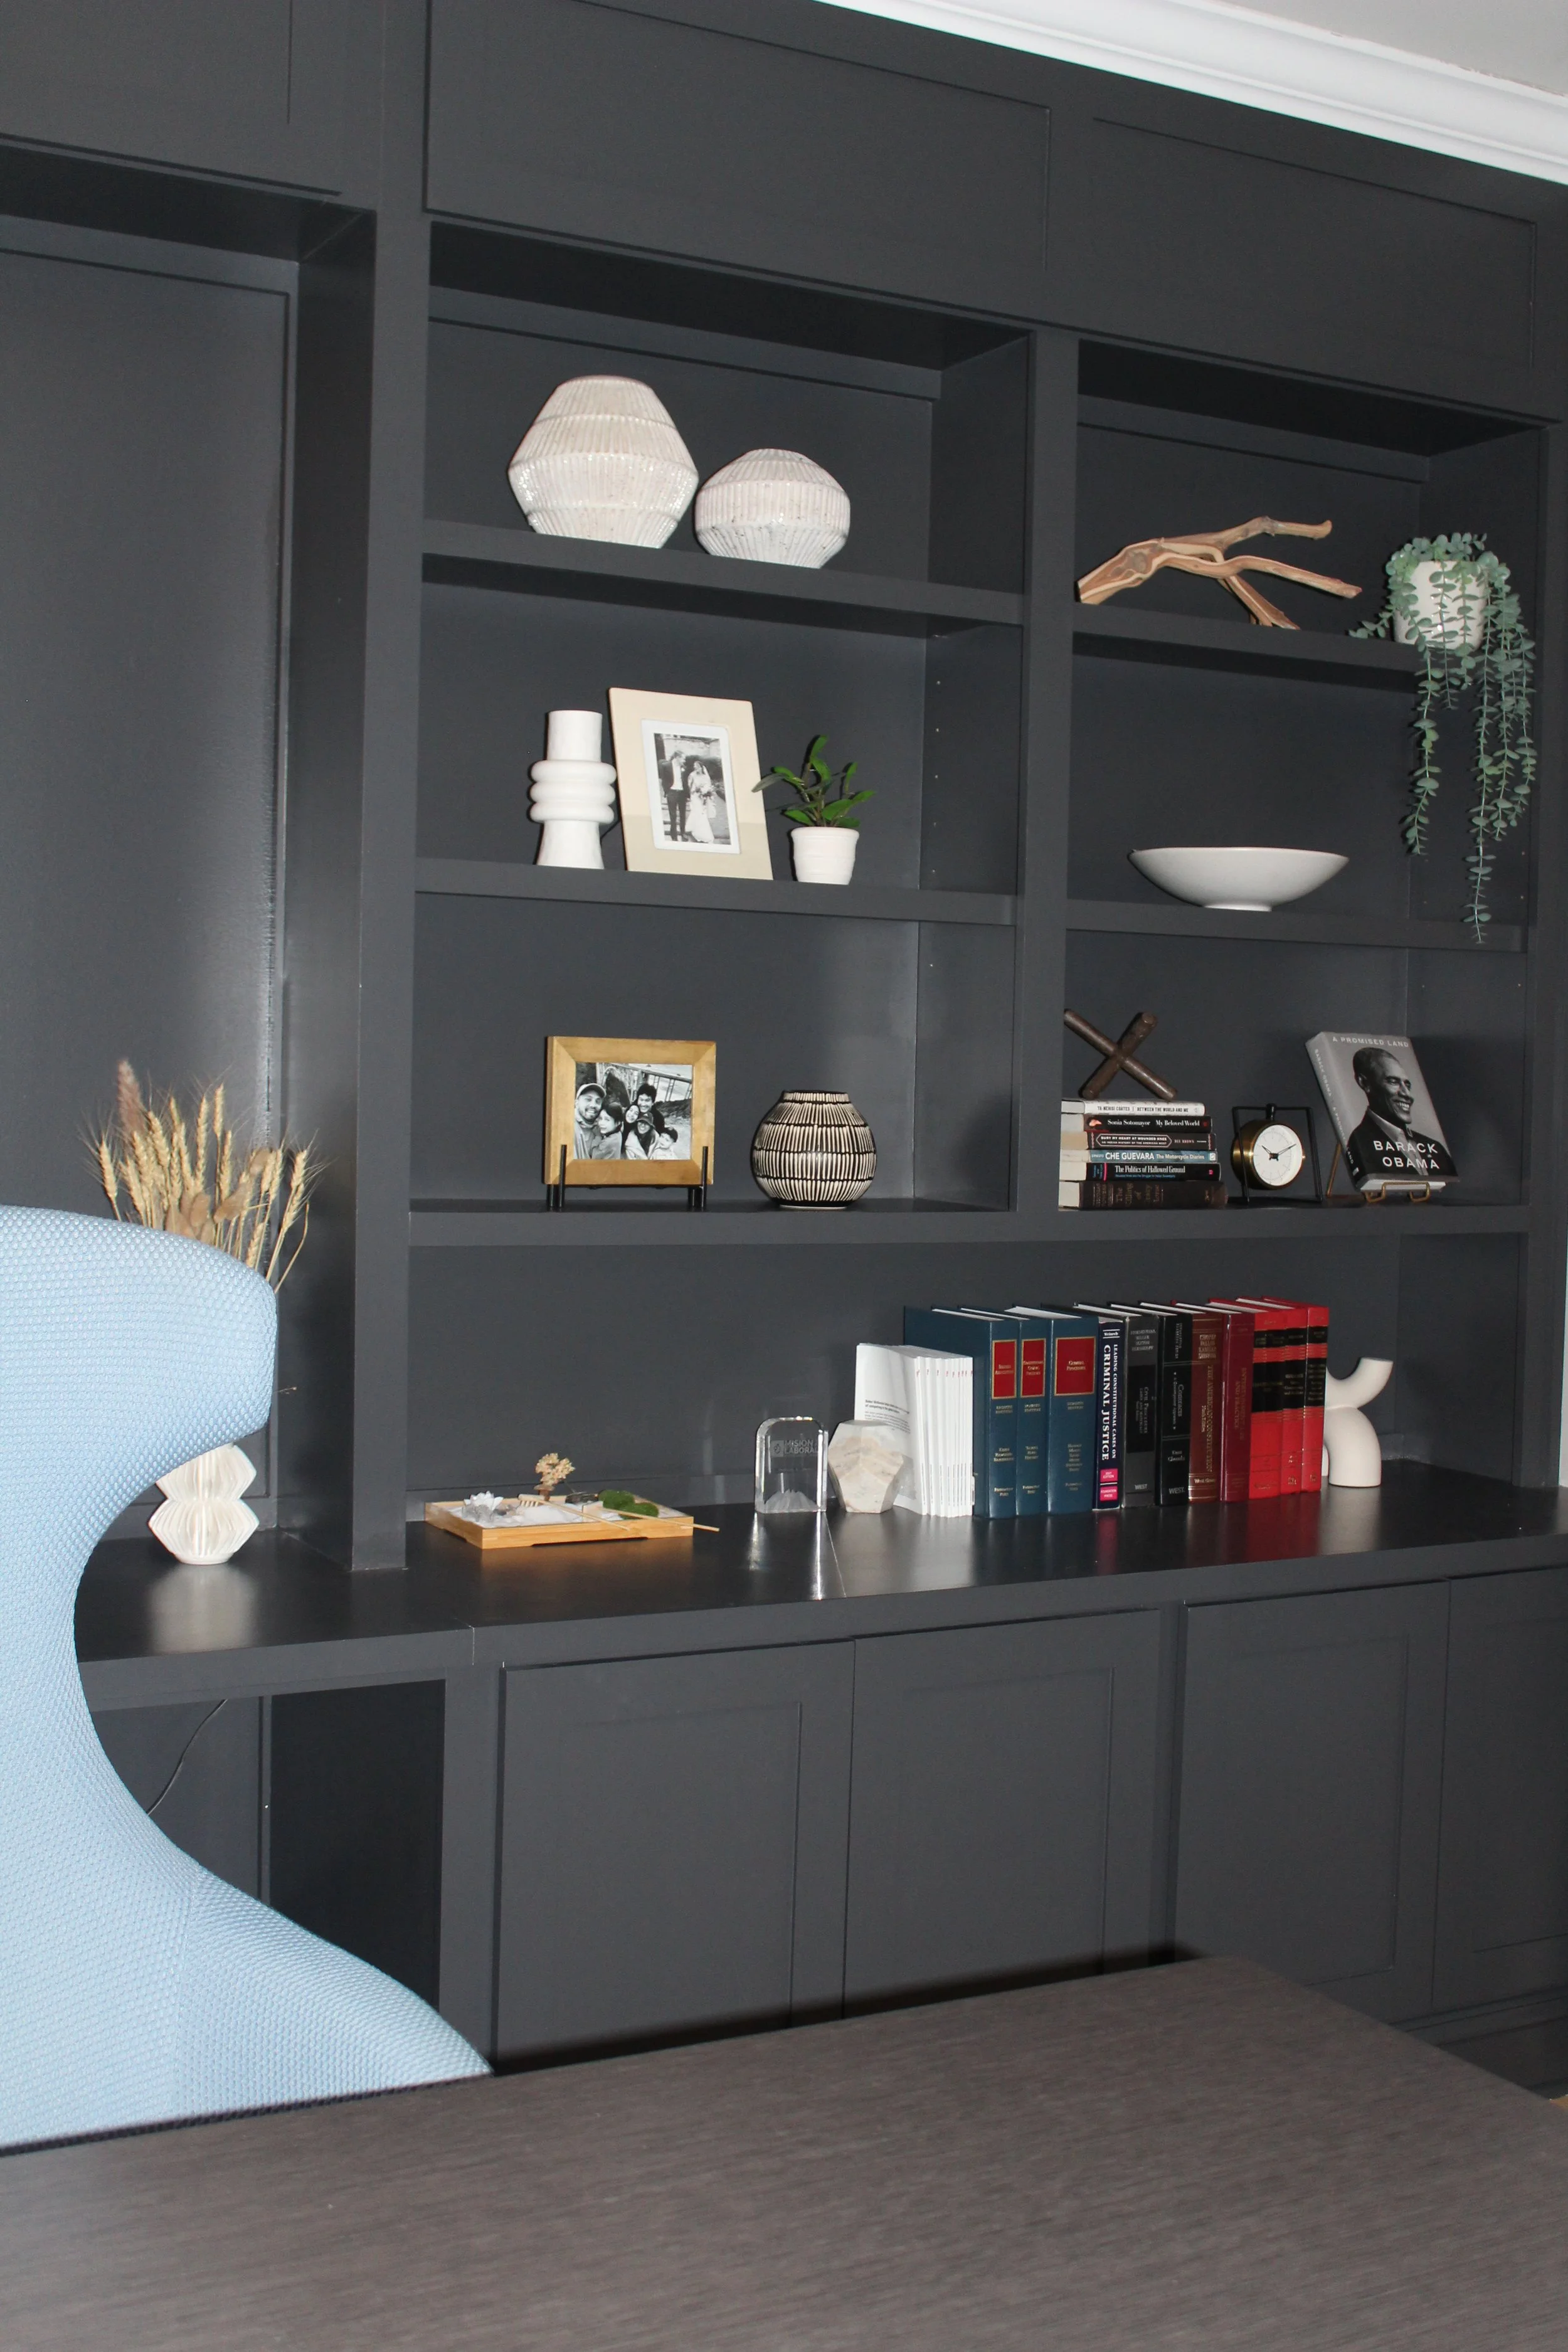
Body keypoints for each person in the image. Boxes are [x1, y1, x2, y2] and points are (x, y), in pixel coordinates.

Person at [1345, 1046, 1456, 1184]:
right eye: (1393, 1082)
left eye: (1407, 1085)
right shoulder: (1360, 1145)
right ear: (1365, 1083)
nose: (1407, 1095)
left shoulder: (1435, 1148)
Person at [621, 1083, 680, 1159]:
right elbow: (624, 1128)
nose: (643, 1104)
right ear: (637, 1099)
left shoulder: (658, 1118)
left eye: (647, 1100)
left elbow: (659, 1141)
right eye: (641, 1100)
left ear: (652, 1103)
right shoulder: (633, 1110)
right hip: (627, 1149)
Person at [573, 1082, 621, 1161]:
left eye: (598, 1101)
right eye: (588, 1099)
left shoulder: (603, 1128)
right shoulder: (568, 1127)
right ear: (577, 1103)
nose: (593, 1105)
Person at [661, 754, 691, 844]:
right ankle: (674, 835)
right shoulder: (666, 766)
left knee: (683, 815)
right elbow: (664, 780)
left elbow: (686, 782)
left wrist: (688, 794)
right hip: (672, 793)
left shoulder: (684, 768)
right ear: (677, 758)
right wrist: (667, 792)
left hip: (682, 793)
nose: (684, 761)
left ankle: (683, 833)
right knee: (673, 815)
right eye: (683, 758)